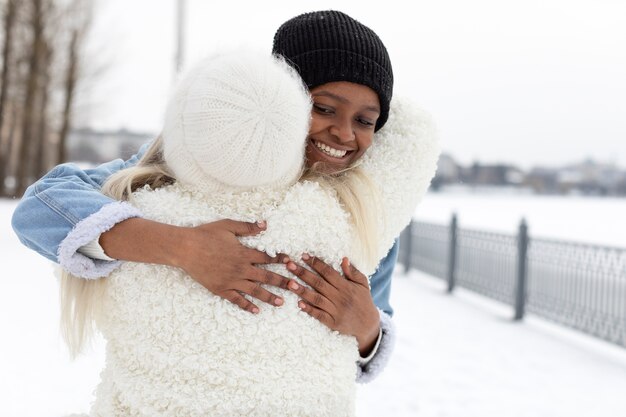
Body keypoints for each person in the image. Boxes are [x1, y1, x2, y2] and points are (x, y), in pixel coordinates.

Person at [11, 9, 439, 387]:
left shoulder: (365, 209)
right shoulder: (195, 162)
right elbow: (40, 208)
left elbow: (365, 336)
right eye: (324, 108)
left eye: (365, 120)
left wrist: (367, 328)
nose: (345, 134)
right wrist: (183, 248)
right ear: (281, 99)